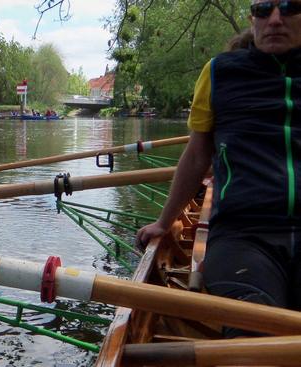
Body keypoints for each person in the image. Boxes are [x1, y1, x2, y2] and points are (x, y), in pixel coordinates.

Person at [136, 0, 301, 338]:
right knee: (255, 332)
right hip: (244, 235)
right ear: (251, 18)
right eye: (263, 9)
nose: (274, 19)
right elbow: (197, 155)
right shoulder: (219, 72)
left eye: (288, 7)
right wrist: (165, 222)